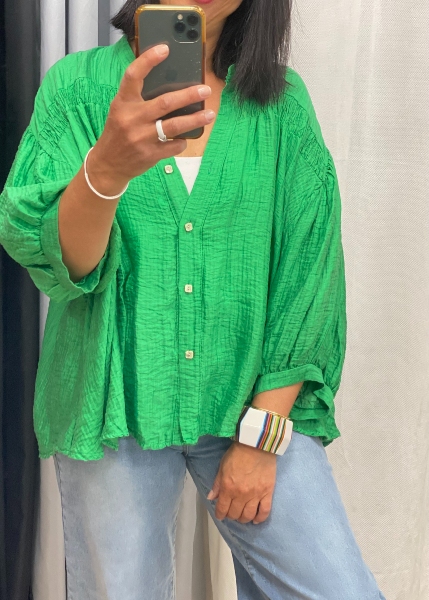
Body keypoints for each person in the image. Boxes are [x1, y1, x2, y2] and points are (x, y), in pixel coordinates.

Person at [0, 0, 387, 598]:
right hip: (112, 407)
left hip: (251, 403)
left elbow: (307, 274)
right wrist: (107, 169)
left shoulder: (281, 104)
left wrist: (262, 437)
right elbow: (62, 265)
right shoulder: (77, 89)